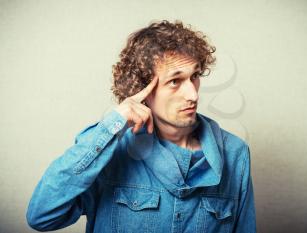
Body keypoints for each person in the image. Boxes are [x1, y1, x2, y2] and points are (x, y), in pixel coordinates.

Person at [26, 20, 256, 233]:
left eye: (194, 76)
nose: (193, 94)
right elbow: (42, 216)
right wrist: (110, 127)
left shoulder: (235, 153)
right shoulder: (112, 151)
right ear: (142, 90)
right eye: (175, 81)